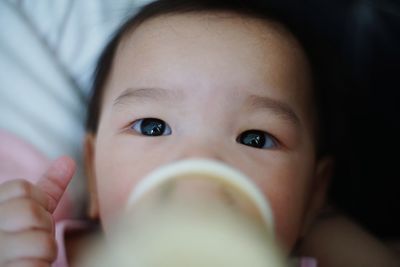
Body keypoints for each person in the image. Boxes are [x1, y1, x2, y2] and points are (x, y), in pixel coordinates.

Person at [0, 1, 398, 266]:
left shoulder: (322, 250)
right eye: (152, 127)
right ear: (95, 174)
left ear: (314, 194)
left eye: (255, 138)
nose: (201, 159)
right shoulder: (39, 251)